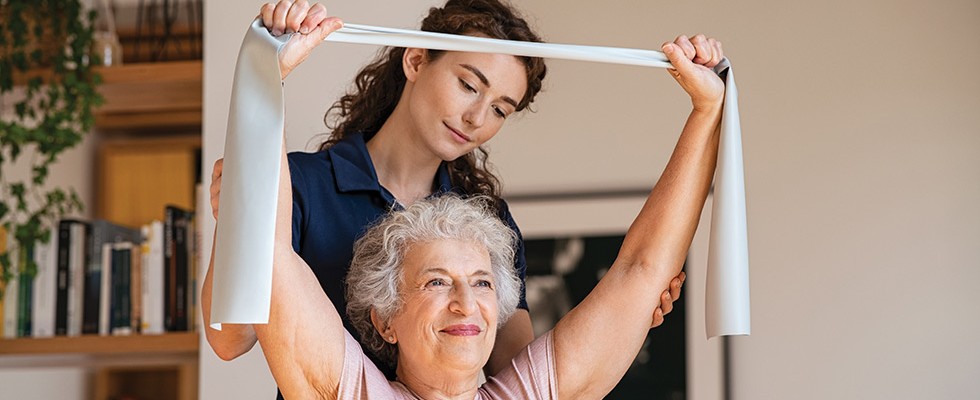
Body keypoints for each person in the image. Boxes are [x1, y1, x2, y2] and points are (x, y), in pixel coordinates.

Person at [203, 0, 690, 384]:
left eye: (501, 109)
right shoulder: (301, 184)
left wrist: (625, 321)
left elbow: (516, 367)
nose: (478, 118)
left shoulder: (487, 222)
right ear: (415, 60)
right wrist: (239, 226)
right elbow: (230, 340)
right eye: (468, 85)